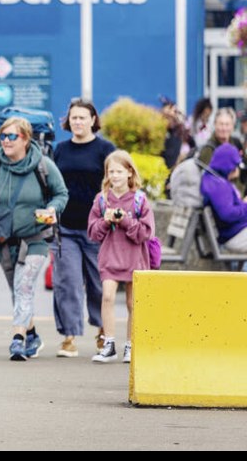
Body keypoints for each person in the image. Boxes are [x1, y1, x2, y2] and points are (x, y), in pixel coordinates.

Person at [0, 116, 68, 362]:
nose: (5, 141)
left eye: (11, 136)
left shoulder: (44, 164)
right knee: (17, 292)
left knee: (24, 286)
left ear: (26, 139)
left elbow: (61, 193)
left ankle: (17, 339)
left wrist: (52, 209)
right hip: (3, 238)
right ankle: (32, 335)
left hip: (35, 237)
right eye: (2, 136)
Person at [51, 99, 115, 358]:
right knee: (68, 282)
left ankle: (103, 329)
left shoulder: (105, 149)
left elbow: (115, 182)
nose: (77, 122)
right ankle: (69, 336)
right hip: (65, 227)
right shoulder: (60, 150)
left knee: (99, 284)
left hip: (97, 229)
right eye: (73, 118)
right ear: (68, 121)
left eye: (82, 117)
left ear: (92, 120)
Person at [87, 150, 153, 364]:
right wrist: (106, 221)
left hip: (135, 259)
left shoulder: (140, 200)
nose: (114, 176)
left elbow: (145, 233)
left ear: (129, 173)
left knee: (133, 303)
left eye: (119, 171)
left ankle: (131, 345)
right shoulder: (102, 200)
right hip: (110, 258)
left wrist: (125, 221)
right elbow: (93, 232)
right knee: (106, 297)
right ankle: (109, 343)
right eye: (110, 171)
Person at [199, 142, 247, 254]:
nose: (236, 169)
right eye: (234, 165)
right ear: (227, 164)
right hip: (234, 236)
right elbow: (228, 214)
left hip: (235, 232)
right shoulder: (217, 184)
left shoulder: (213, 180)